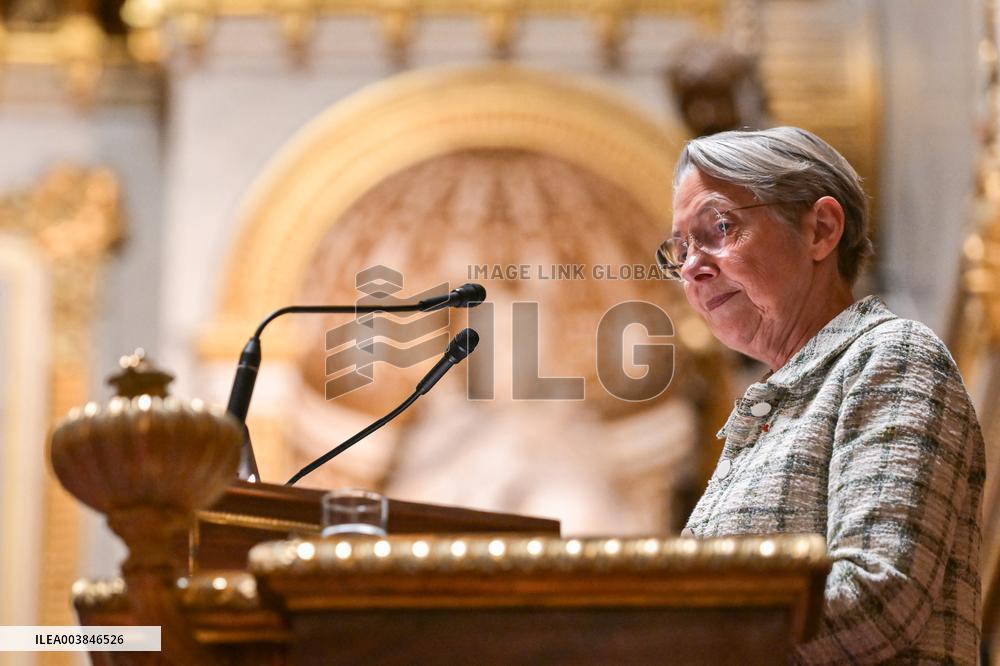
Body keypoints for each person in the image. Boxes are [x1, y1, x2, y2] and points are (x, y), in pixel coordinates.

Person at [658, 126, 985, 664]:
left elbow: (877, 595)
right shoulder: (777, 403)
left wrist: (660, 636)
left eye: (719, 226)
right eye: (682, 247)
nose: (692, 266)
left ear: (821, 230)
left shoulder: (891, 356)